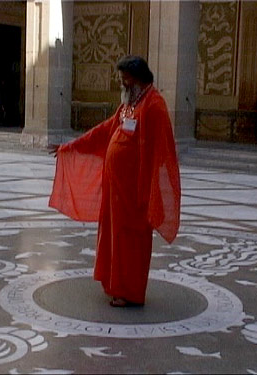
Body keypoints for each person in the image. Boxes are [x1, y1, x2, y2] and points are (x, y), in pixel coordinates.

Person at [49, 55, 181, 307]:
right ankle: (114, 284)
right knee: (114, 237)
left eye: (125, 80)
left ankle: (129, 292)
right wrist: (71, 146)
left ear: (138, 80)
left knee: (130, 241)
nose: (121, 84)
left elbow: (161, 153)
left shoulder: (154, 106)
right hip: (116, 190)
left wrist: (148, 190)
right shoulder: (129, 105)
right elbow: (104, 130)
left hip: (134, 193)